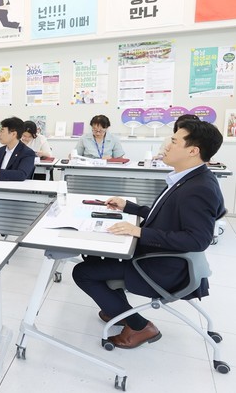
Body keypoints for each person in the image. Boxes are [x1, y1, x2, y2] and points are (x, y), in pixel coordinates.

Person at [73, 119, 225, 349]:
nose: (167, 146)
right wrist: (129, 207)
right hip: (164, 257)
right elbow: (165, 215)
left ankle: (139, 326)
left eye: (174, 142)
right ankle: (116, 309)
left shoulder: (198, 188)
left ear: (193, 151)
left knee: (82, 272)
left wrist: (139, 232)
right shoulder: (189, 178)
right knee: (93, 256)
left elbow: (198, 239)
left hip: (163, 266)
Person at [0, 117, 35, 182]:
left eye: (2, 131)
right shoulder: (0, 151)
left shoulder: (27, 152)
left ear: (13, 134)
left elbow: (21, 174)